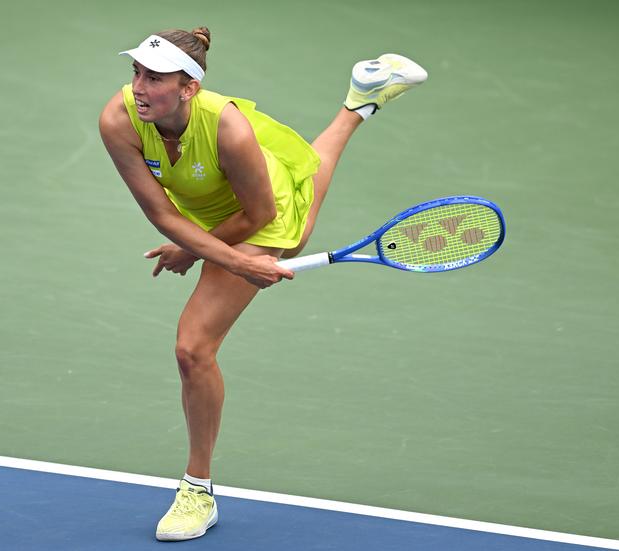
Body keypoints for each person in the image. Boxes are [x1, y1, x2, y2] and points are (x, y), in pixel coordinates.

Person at [99, 27, 427, 541]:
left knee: (193, 347)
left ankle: (197, 490)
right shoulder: (119, 119)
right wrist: (210, 252)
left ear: (188, 88)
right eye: (136, 72)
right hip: (205, 211)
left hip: (258, 208)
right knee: (298, 200)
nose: (139, 87)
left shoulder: (227, 129)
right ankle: (360, 100)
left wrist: (234, 259)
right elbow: (162, 214)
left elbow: (260, 212)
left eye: (155, 78)